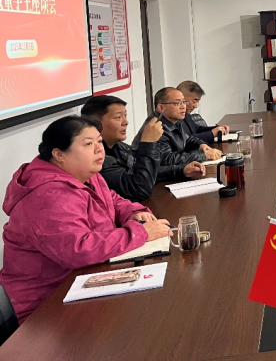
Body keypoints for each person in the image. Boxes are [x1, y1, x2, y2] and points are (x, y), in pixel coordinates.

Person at [0, 116, 172, 324]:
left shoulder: (85, 173)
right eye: (88, 144)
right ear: (58, 154)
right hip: (46, 304)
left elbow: (112, 200)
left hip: (85, 279)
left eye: (99, 141)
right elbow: (79, 250)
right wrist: (141, 233)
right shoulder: (48, 195)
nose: (99, 149)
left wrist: (132, 212)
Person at [80, 95, 206, 201]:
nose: (126, 122)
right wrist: (148, 143)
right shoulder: (97, 159)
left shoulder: (119, 147)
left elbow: (143, 171)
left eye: (125, 116)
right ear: (94, 123)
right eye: (118, 117)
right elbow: (139, 189)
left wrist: (181, 170)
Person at [132, 87, 222, 169]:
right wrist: (203, 155)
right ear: (161, 107)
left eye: (184, 102)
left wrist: (201, 145)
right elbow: (167, 160)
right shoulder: (156, 127)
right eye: (177, 103)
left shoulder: (174, 120)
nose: (183, 106)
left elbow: (187, 139)